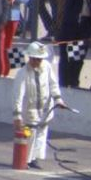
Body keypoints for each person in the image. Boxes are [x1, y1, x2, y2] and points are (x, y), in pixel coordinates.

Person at [13, 41, 67, 169]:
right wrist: (17, 116)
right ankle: (25, 159)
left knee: (41, 135)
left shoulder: (47, 67)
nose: (37, 62)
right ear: (30, 57)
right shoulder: (22, 74)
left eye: (39, 59)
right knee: (29, 135)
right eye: (35, 59)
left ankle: (35, 159)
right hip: (30, 111)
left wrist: (58, 99)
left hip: (45, 110)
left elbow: (53, 84)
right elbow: (17, 96)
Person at [0, 0, 31, 77]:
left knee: (9, 45)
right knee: (0, 44)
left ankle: (12, 71)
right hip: (0, 17)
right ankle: (0, 71)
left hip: (14, 17)